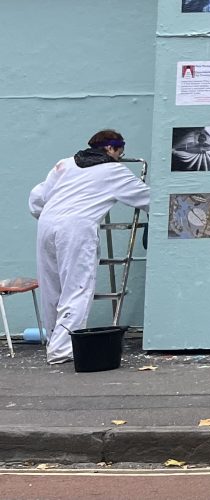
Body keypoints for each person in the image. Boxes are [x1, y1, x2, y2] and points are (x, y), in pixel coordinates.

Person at [28, 130, 150, 365]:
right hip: (77, 228)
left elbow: (37, 198)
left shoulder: (64, 164)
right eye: (120, 151)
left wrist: (50, 215)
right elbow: (148, 198)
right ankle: (62, 350)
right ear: (111, 148)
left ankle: (54, 341)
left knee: (52, 288)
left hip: (47, 223)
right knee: (77, 288)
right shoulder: (114, 171)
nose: (121, 156)